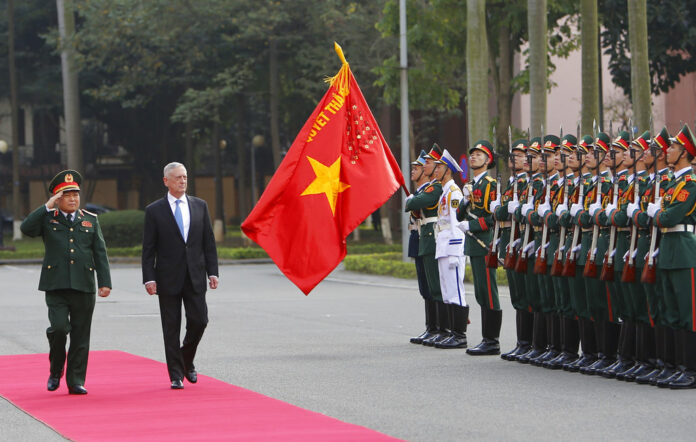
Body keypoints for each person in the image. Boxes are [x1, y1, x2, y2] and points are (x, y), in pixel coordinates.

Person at [20, 170, 111, 395]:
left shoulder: (90, 220)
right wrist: (46, 206)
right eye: (66, 194)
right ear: (57, 198)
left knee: (81, 335)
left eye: (75, 194)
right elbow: (25, 229)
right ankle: (55, 368)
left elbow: (100, 253)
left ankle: (76, 381)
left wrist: (105, 282)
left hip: (83, 285)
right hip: (56, 285)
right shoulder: (48, 218)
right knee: (59, 329)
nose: (72, 198)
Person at [142, 162, 219, 389]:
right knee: (171, 327)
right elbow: (149, 248)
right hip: (167, 277)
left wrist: (213, 271)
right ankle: (176, 374)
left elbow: (208, 243)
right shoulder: (154, 210)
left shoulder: (199, 206)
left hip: (195, 274)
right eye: (177, 178)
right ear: (166, 181)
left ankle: (186, 359)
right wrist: (149, 277)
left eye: (185, 177)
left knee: (200, 320)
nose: (182, 181)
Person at [457, 140, 501, 355]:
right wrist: (465, 201)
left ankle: (492, 340)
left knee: (488, 291)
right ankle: (487, 338)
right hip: (473, 243)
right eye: (472, 154)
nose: (473, 157)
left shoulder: (490, 185)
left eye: (479, 154)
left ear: (488, 160)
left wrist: (472, 225)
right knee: (480, 293)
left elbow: (493, 218)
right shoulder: (472, 185)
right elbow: (459, 215)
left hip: (484, 241)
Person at [432, 149, 469, 349]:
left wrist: (456, 250)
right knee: (447, 291)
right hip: (443, 246)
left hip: (452, 247)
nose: (435, 170)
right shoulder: (445, 192)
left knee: (456, 291)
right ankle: (452, 332)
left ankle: (460, 334)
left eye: (439, 167)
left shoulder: (454, 192)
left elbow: (456, 223)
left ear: (448, 170)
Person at [408, 150, 436, 345]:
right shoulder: (419, 192)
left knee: (431, 286)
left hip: (427, 237)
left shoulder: (430, 190)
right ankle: (431, 327)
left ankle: (436, 327)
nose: (413, 171)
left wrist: (411, 201)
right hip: (417, 238)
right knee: (424, 287)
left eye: (417, 168)